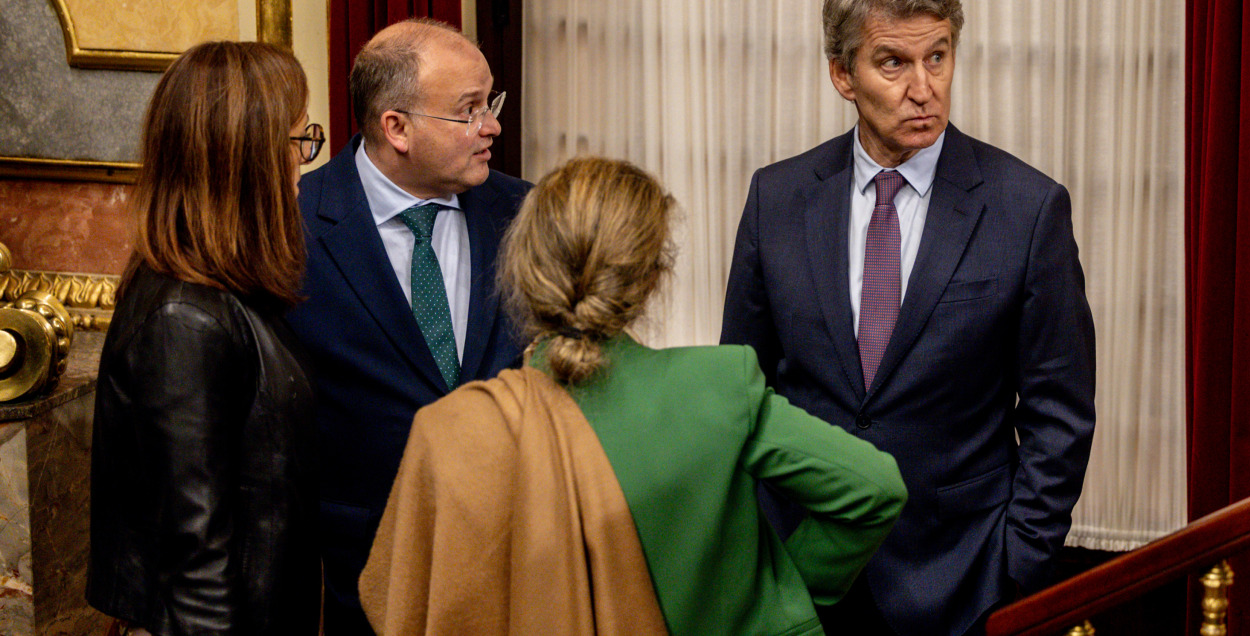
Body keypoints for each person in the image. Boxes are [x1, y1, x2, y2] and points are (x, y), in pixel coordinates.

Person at [358, 156, 908, 636]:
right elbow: (874, 488)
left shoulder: (453, 427)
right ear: (650, 279)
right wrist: (772, 594)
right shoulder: (718, 387)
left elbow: (397, 600)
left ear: (523, 268)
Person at [720, 0, 1096, 636]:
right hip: (802, 571)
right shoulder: (776, 199)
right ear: (843, 74)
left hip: (962, 576)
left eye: (938, 58)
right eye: (892, 63)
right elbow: (742, 388)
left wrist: (1018, 563)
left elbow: (1058, 414)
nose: (923, 88)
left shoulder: (1028, 209)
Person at [285, 18, 531, 634]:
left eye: (490, 103)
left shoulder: (526, 211)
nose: (492, 126)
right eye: (468, 110)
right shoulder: (296, 227)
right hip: (357, 565)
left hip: (507, 552)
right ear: (396, 126)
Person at [88, 41, 323, 635]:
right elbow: (195, 565)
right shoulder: (183, 318)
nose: (303, 162)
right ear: (247, 158)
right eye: (298, 141)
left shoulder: (223, 289)